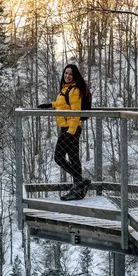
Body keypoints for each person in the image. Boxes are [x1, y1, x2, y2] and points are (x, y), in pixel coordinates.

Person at [38, 64, 91, 201]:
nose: (67, 76)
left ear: (75, 76)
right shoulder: (66, 89)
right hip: (67, 128)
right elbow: (63, 104)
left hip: (70, 128)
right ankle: (78, 188)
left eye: (70, 74)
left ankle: (79, 183)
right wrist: (51, 105)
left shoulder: (74, 90)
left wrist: (70, 132)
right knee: (73, 158)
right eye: (66, 73)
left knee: (58, 157)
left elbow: (76, 112)